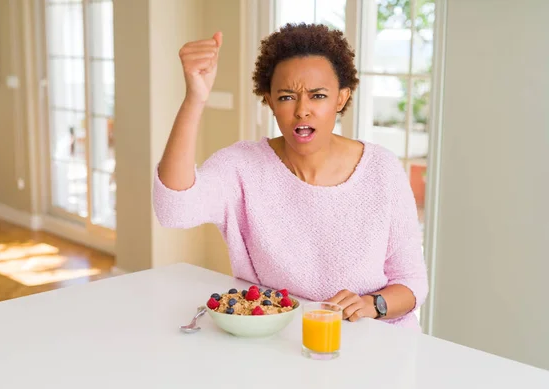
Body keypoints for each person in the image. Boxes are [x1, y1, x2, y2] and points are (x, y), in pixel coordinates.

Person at [153, 23, 428, 331]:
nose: (302, 110)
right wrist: (195, 99)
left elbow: (412, 282)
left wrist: (372, 305)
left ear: (341, 98)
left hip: (375, 342)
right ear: (269, 101)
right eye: (286, 97)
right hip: (280, 343)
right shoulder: (242, 167)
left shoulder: (382, 169)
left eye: (318, 95)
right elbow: (173, 210)